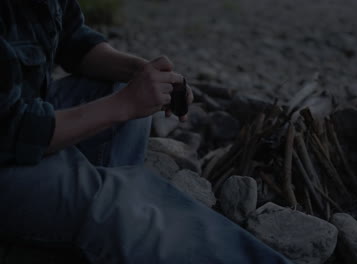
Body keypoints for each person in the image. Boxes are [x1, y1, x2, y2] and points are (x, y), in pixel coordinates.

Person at [0, 0, 293, 263]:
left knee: (118, 87)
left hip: (24, 113)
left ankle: (99, 229)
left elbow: (74, 40)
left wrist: (141, 74)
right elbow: (16, 130)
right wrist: (126, 104)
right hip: (11, 142)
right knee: (117, 199)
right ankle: (116, 210)